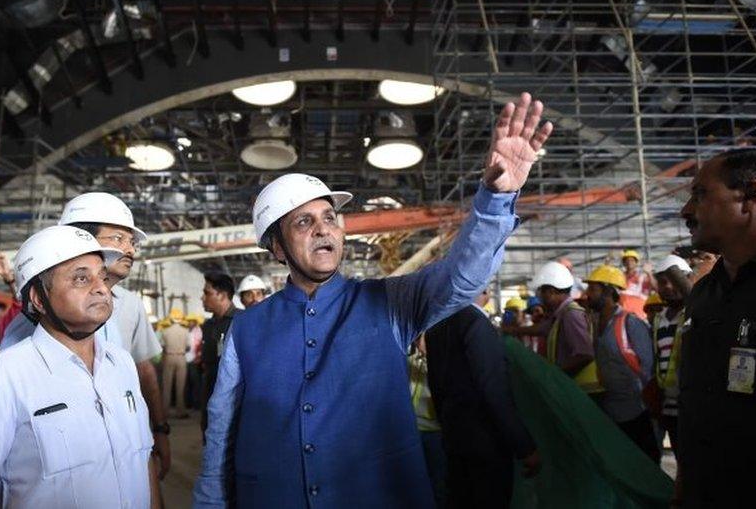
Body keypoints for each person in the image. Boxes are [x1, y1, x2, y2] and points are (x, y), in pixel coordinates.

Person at [194, 92, 553, 507]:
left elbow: (462, 277)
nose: (323, 229)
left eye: (330, 218)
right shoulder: (248, 328)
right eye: (304, 222)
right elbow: (221, 433)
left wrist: (494, 202)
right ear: (277, 248)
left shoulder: (391, 303)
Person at [0, 226, 160, 508]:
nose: (101, 288)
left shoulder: (121, 364)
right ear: (38, 298)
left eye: (103, 277)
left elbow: (142, 460)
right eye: (81, 278)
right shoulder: (3, 376)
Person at [0, 192, 172, 477]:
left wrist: (159, 430)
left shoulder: (129, 305)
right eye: (117, 238)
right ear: (77, 237)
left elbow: (144, 371)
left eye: (132, 241)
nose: (129, 250)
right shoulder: (28, 327)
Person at [676, 148, 756, 508]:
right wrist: (685, 480)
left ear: (751, 196)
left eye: (700, 195)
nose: (686, 211)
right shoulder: (704, 294)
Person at [425, 293, 540, 509]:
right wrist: (525, 447)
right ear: (482, 291)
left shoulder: (438, 324)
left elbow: (436, 383)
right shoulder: (476, 323)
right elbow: (494, 391)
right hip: (485, 444)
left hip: (454, 438)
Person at [584, 265, 659, 462]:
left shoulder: (631, 323)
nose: (587, 294)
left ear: (609, 292)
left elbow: (648, 368)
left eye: (593, 289)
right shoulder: (595, 324)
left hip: (638, 412)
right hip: (611, 411)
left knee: (645, 465)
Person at [504, 261, 600, 394]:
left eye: (541, 293)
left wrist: (552, 374)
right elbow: (541, 329)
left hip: (585, 389)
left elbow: (585, 355)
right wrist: (512, 330)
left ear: (551, 292)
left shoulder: (571, 314)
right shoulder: (561, 313)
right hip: (576, 388)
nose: (540, 299)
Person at [648, 254, 692, 456]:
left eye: (672, 281)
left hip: (691, 404)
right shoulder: (659, 319)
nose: (667, 287)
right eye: (662, 282)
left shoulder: (694, 313)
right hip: (668, 406)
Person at [408, 336, 445, 507]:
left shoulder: (444, 352)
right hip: (410, 428)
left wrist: (431, 353)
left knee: (437, 485)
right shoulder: (411, 352)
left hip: (435, 430)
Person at [199, 272, 237, 434]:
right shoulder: (208, 325)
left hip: (232, 396)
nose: (202, 298)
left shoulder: (241, 321)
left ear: (222, 295)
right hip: (209, 390)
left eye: (207, 293)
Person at [161, 309, 190, 418]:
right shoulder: (185, 331)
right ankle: (180, 411)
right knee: (180, 386)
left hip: (169, 356)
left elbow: (162, 346)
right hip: (181, 357)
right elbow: (188, 346)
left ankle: (164, 412)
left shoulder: (165, 331)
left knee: (167, 386)